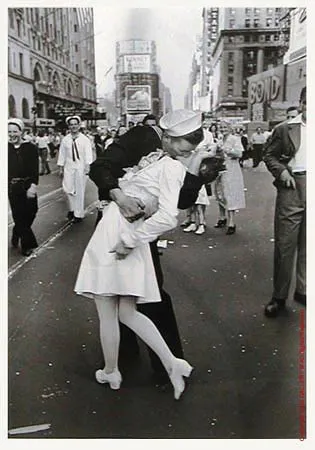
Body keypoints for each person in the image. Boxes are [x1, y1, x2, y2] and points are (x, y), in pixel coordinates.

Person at [74, 110, 216, 399]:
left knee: (121, 305)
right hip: (125, 225)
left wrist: (195, 168)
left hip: (128, 231)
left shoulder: (176, 163)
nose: (187, 149)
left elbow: (178, 205)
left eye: (193, 145)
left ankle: (133, 367)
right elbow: (100, 166)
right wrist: (119, 194)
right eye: (185, 144)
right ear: (168, 136)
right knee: (125, 308)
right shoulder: (142, 138)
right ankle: (156, 361)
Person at [263, 87, 306, 317]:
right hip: (292, 186)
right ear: (301, 103)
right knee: (285, 245)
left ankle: (304, 290)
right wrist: (281, 172)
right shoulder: (285, 129)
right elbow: (268, 155)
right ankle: (278, 297)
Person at [8, 118, 39, 257]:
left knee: (32, 211)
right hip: (12, 187)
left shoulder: (30, 148)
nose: (12, 134)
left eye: (15, 131)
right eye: (9, 132)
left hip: (27, 184)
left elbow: (34, 169)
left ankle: (17, 231)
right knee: (19, 214)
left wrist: (33, 186)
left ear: (21, 132)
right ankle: (27, 245)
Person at [57, 116, 93, 223]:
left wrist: (87, 166)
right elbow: (62, 154)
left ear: (79, 125)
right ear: (69, 126)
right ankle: (72, 209)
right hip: (69, 167)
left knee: (79, 191)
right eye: (71, 124)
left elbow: (88, 154)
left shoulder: (85, 139)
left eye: (75, 124)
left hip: (81, 167)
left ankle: (78, 214)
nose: (73, 126)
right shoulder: (65, 140)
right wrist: (60, 168)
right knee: (68, 189)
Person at [213, 122, 246, 234]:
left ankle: (231, 222)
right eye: (221, 127)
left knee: (230, 193)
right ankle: (222, 217)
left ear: (230, 128)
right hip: (220, 169)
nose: (223, 129)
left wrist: (226, 150)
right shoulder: (220, 139)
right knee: (220, 193)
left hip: (231, 169)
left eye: (225, 127)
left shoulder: (235, 139)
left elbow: (239, 154)